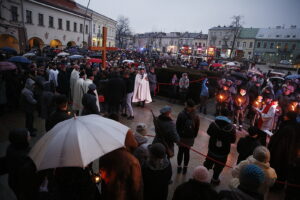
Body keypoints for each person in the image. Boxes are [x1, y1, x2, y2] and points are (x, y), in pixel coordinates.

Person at [268, 111, 300, 190]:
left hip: (280, 152)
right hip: (290, 152)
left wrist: (272, 143)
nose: (284, 116)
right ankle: (279, 186)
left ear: (289, 117)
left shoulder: (287, 127)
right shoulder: (295, 126)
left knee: (278, 168)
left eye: (286, 115)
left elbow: (279, 140)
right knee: (284, 168)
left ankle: (275, 186)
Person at [203, 109, 236, 185]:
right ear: (228, 116)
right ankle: (214, 179)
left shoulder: (213, 124)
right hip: (223, 152)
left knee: (207, 164)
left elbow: (208, 132)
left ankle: (203, 177)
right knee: (219, 166)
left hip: (212, 149)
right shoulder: (232, 128)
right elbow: (233, 140)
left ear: (220, 113)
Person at [5, 128, 38, 200]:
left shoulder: (10, 148)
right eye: (28, 136)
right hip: (23, 185)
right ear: (22, 140)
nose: (30, 137)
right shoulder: (25, 156)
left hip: (13, 181)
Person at [176, 99, 200, 174]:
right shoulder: (196, 116)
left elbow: (177, 125)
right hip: (190, 138)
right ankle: (185, 168)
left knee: (180, 151)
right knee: (187, 152)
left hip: (181, 137)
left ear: (188, 106)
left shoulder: (181, 114)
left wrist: (178, 134)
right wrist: (194, 136)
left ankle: (179, 167)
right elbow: (197, 128)